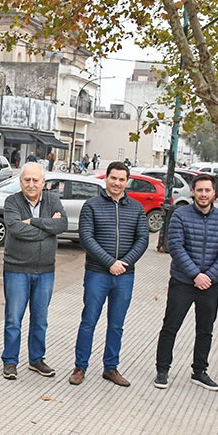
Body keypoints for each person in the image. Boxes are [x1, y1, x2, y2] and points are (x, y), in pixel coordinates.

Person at [70, 161, 149, 387]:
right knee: (89, 321)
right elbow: (86, 237)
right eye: (113, 178)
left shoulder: (135, 208)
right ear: (106, 178)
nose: (117, 183)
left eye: (121, 179)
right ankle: (80, 366)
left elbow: (142, 239)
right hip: (97, 273)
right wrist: (109, 263)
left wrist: (124, 263)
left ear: (127, 181)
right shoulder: (91, 206)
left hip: (125, 275)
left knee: (117, 324)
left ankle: (111, 368)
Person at [153, 173, 218, 391]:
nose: (203, 194)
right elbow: (176, 247)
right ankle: (162, 370)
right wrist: (195, 275)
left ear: (214, 193)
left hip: (210, 284)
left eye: (207, 190)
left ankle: (199, 371)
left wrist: (209, 276)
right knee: (170, 327)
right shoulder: (180, 215)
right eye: (200, 190)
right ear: (193, 192)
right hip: (182, 282)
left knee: (205, 329)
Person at [1, 163, 68, 380]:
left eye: (35, 180)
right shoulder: (12, 201)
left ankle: (36, 360)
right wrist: (47, 229)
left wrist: (34, 222)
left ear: (43, 183)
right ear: (20, 182)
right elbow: (16, 229)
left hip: (46, 271)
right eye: (26, 180)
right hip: (17, 270)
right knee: (13, 319)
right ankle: (10, 361)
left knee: (40, 319)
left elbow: (62, 225)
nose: (31, 184)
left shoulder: (53, 199)